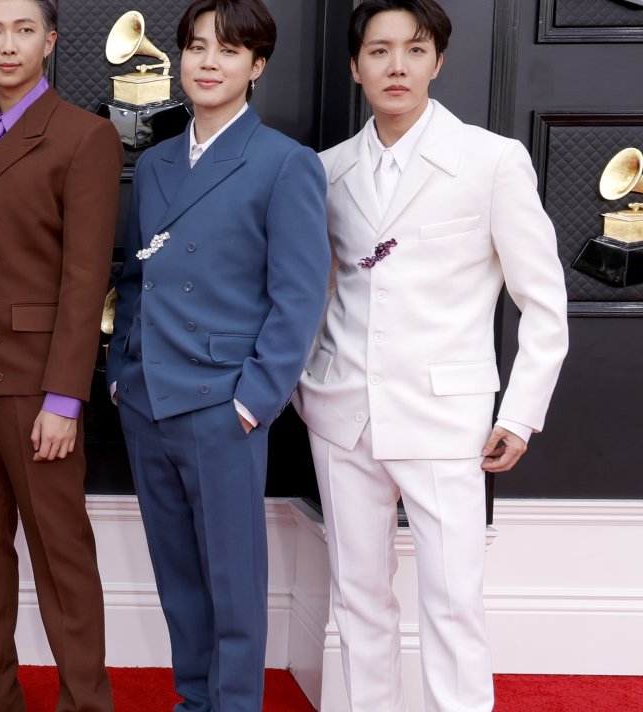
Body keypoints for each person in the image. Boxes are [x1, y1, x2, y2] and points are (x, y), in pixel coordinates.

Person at [292, 1, 569, 709]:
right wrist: (306, 385)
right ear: (355, 67)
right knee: (359, 601)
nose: (397, 66)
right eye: (379, 52)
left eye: (415, 51)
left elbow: (543, 301)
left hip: (450, 421)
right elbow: (311, 295)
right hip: (341, 415)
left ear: (437, 62)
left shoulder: (491, 161)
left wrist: (522, 413)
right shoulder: (325, 172)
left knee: (453, 604)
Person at [103, 0, 329, 709]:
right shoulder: (159, 159)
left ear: (256, 66)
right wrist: (119, 376)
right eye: (197, 47)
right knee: (178, 579)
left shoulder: (284, 164)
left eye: (228, 51)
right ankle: (192, 701)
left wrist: (251, 402)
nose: (207, 62)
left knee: (232, 585)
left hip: (221, 403)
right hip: (147, 399)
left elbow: (299, 298)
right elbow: (136, 276)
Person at [0, 1, 122, 710]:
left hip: (39, 385)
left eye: (22, 30)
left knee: (61, 558)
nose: (7, 45)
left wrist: (65, 398)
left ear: (48, 41)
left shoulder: (85, 136)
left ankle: (85, 700)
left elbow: (85, 280)